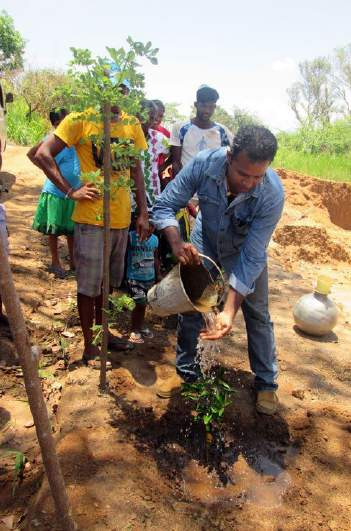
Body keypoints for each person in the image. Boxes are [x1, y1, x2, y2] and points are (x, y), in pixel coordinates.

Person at [152, 125, 284, 416]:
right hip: (206, 241)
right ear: (229, 156)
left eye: (257, 176)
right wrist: (176, 241)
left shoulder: (272, 194)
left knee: (258, 314)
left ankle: (266, 383)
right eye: (242, 174)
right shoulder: (203, 164)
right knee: (192, 306)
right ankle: (187, 372)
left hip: (244, 250)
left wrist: (229, 310)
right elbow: (164, 206)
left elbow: (251, 256)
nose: (249, 183)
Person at [32, 97, 149, 366]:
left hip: (121, 220)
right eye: (113, 90)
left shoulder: (132, 124)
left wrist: (142, 213)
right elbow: (41, 154)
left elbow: (136, 171)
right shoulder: (80, 120)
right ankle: (89, 347)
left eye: (124, 91)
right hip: (91, 220)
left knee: (108, 284)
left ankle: (103, 334)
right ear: (102, 90)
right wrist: (71, 190)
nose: (119, 98)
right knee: (88, 286)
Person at [29, 109, 81, 278]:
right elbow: (33, 154)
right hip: (55, 192)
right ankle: (55, 262)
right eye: (61, 123)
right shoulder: (52, 140)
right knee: (54, 230)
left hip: (74, 192)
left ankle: (73, 261)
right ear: (55, 125)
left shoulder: (76, 138)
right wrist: (48, 171)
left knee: (71, 230)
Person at [170, 85, 233, 177]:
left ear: (215, 107)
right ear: (196, 104)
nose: (207, 111)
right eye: (203, 106)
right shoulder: (180, 128)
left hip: (212, 187)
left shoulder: (222, 131)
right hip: (187, 185)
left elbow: (234, 155)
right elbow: (175, 163)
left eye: (211, 107)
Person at [126, 229, 160, 343]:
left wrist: (158, 275)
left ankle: (139, 326)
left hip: (149, 278)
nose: (148, 228)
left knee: (144, 304)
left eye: (152, 225)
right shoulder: (130, 237)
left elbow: (156, 258)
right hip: (134, 278)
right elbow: (124, 254)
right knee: (140, 303)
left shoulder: (155, 239)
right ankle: (134, 330)